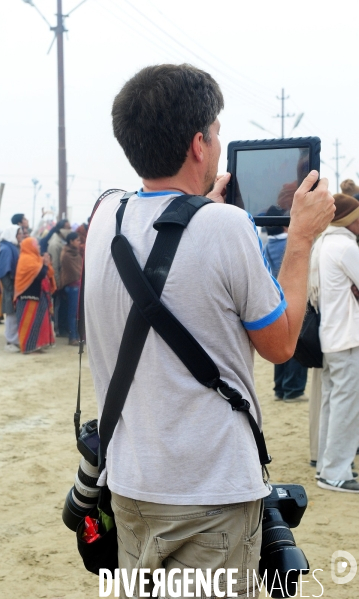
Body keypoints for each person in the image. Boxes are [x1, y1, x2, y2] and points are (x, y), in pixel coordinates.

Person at [84, 64, 335, 596]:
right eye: (217, 133)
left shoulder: (105, 214)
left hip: (129, 483)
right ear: (199, 144)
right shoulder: (225, 227)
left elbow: (167, 246)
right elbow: (281, 343)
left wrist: (200, 211)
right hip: (210, 491)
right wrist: (300, 239)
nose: (220, 146)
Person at [309, 193, 359, 493]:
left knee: (332, 403)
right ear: (348, 219)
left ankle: (327, 466)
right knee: (346, 407)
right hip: (348, 337)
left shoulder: (324, 243)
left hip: (330, 335)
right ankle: (336, 472)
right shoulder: (345, 246)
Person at [264, 206, 308, 402]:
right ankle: (293, 389)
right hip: (292, 295)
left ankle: (280, 388)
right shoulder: (288, 244)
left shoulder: (268, 245)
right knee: (295, 344)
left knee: (280, 345)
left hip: (275, 296)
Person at [14, 237, 56, 354]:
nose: (38, 247)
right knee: (28, 323)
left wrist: (45, 264)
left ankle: (38, 345)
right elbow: (40, 275)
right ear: (30, 246)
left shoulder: (36, 258)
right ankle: (28, 347)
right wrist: (46, 264)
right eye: (36, 245)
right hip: (27, 296)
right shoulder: (26, 259)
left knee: (39, 321)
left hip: (38, 294)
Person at [0, 225, 22, 352]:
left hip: (13, 287)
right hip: (10, 287)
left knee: (14, 314)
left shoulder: (12, 248)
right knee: (11, 315)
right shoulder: (6, 250)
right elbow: (3, 272)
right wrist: (10, 288)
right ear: (12, 234)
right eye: (19, 233)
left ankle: (14, 340)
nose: (21, 235)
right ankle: (11, 341)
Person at [47, 219, 71, 336]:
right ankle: (58, 328)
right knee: (58, 306)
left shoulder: (62, 241)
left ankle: (62, 328)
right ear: (60, 229)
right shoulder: (55, 243)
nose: (69, 230)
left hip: (63, 280)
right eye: (67, 227)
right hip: (57, 281)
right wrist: (56, 284)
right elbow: (54, 266)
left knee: (62, 306)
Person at [60, 232, 82, 346]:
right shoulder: (67, 255)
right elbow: (74, 271)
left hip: (78, 285)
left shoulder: (76, 254)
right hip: (72, 286)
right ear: (71, 241)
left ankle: (77, 336)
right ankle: (72, 337)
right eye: (77, 240)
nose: (79, 242)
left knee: (77, 313)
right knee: (72, 313)